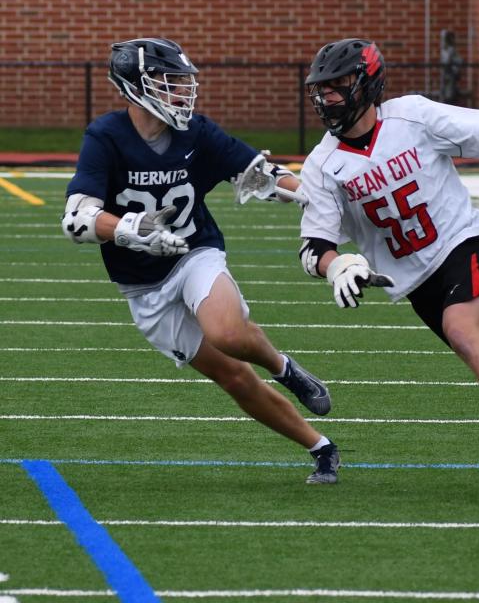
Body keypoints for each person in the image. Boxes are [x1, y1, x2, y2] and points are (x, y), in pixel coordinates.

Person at [294, 38, 479, 483]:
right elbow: (315, 247)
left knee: (463, 332)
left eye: (339, 86)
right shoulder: (322, 165)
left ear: (367, 84)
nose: (328, 98)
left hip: (461, 242)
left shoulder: (412, 115)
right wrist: (337, 266)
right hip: (415, 280)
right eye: (323, 89)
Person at [61, 38, 342, 485]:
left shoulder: (196, 132)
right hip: (144, 287)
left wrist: (309, 195)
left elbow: (262, 174)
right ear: (137, 86)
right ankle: (322, 448)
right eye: (170, 83)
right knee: (233, 378)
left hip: (194, 253)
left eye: (182, 83)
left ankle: (284, 368)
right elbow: (77, 219)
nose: (182, 93)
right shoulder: (106, 137)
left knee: (227, 331)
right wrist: (132, 231)